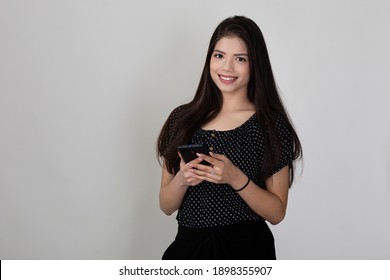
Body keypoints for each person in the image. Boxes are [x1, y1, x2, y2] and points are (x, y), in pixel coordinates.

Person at [156, 15, 302, 260]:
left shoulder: (270, 125)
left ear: (256, 65)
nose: (226, 68)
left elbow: (277, 213)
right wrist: (183, 178)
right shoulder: (182, 118)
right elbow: (166, 205)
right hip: (189, 249)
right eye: (219, 55)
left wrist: (236, 178)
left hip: (247, 251)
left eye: (240, 59)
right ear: (209, 59)